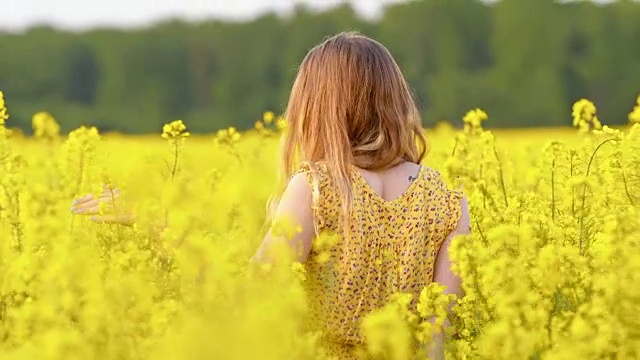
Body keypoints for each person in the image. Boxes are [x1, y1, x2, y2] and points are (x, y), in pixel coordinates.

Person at [71, 31, 470, 359]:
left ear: (317, 106)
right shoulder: (449, 198)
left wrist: (158, 222)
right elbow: (438, 336)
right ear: (394, 100)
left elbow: (247, 294)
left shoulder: (316, 187)